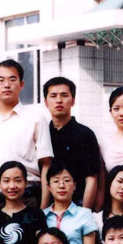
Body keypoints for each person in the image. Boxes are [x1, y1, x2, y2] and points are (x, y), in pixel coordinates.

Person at [0, 59, 53, 208]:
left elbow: (46, 164)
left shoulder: (36, 119)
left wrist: (43, 208)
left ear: (22, 84)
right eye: (1, 80)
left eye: (12, 79)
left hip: (26, 198)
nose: (7, 85)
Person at [43, 77, 101, 209]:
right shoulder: (42, 133)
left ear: (73, 100)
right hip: (47, 208)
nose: (59, 100)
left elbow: (91, 179)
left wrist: (84, 213)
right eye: (53, 96)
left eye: (64, 95)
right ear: (46, 102)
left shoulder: (85, 134)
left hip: (77, 206)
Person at [0, 161, 48, 244]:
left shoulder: (36, 214)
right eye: (6, 181)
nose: (12, 186)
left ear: (25, 183)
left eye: (18, 180)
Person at [43, 164, 100, 244]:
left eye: (66, 180)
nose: (61, 185)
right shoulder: (41, 216)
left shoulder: (84, 214)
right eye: (56, 181)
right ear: (49, 187)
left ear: (74, 185)